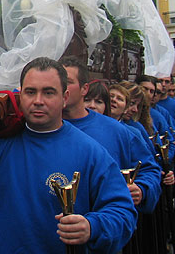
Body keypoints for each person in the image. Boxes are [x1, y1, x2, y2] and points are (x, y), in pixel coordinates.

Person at [0, 57, 137, 253]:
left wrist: (92, 227)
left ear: (65, 98)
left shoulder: (90, 152)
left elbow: (122, 212)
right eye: (31, 92)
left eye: (49, 93)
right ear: (20, 94)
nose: (38, 101)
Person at [60, 57, 161, 215]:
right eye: (57, 81)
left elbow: (149, 169)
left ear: (84, 89)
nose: (61, 87)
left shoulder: (116, 131)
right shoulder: (40, 128)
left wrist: (141, 188)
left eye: (67, 81)